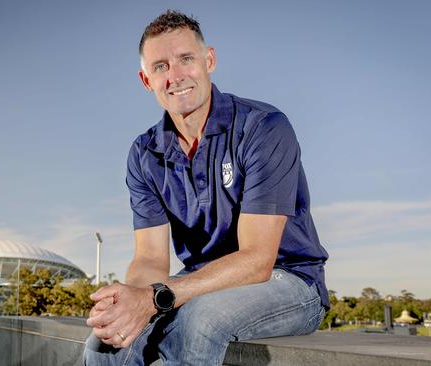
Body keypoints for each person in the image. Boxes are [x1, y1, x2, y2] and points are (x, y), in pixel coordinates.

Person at [84, 10, 329, 365]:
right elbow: (151, 257)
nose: (176, 76)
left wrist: (155, 298)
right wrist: (132, 299)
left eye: (186, 59)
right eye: (160, 66)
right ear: (145, 79)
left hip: (288, 280)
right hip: (197, 284)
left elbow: (258, 261)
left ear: (208, 60)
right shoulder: (144, 153)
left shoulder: (263, 128)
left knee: (199, 322)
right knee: (104, 345)